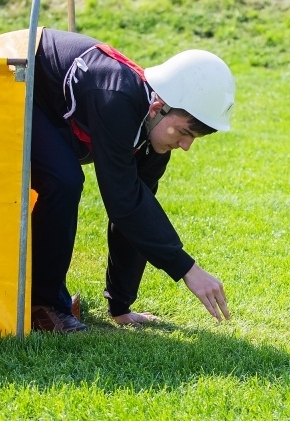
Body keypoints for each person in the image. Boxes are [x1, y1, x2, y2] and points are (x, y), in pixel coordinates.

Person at [30, 28, 235, 332]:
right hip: (16, 84)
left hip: (50, 105)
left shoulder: (154, 130)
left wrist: (120, 305)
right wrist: (187, 269)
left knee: (105, 189)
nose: (186, 146)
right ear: (157, 106)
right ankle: (42, 304)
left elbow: (138, 207)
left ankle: (74, 299)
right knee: (63, 180)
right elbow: (122, 198)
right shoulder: (117, 100)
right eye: (184, 132)